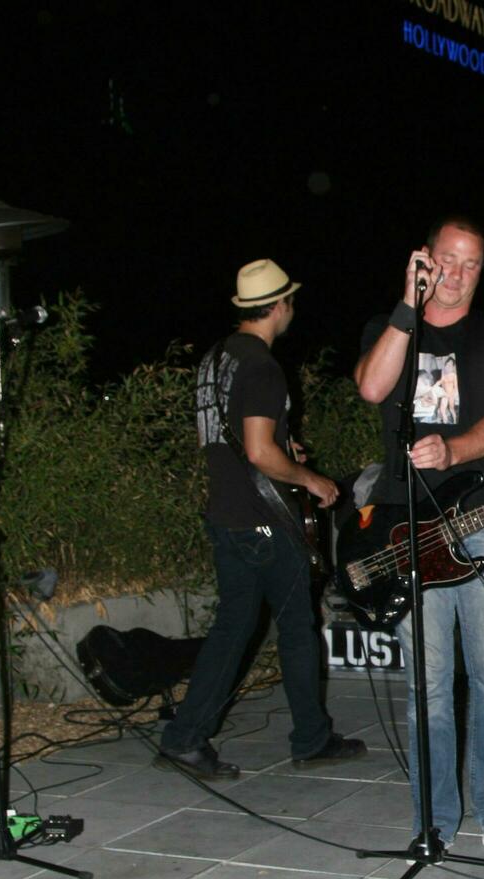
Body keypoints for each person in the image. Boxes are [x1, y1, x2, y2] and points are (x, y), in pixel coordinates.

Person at [355, 217, 484, 849]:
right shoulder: (392, 326)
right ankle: (432, 816)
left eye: (471, 265)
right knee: (427, 682)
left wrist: (454, 452)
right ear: (424, 260)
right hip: (406, 528)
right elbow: (372, 386)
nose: (457, 276)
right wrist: (409, 303)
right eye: (447, 261)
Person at [157, 259, 364, 780]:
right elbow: (257, 452)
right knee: (296, 627)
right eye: (291, 300)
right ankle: (311, 740)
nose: (293, 308)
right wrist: (310, 479)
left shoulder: (214, 359)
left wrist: (279, 446)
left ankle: (183, 738)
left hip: (226, 514)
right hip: (264, 520)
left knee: (233, 628)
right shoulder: (262, 366)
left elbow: (232, 440)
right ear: (280, 306)